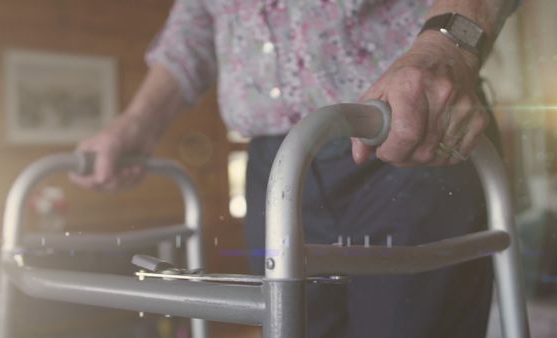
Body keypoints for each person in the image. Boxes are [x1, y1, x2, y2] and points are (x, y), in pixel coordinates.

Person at [71, 1, 520, 337]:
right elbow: (195, 25)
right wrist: (135, 126)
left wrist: (447, 44)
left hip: (406, 135)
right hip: (276, 165)